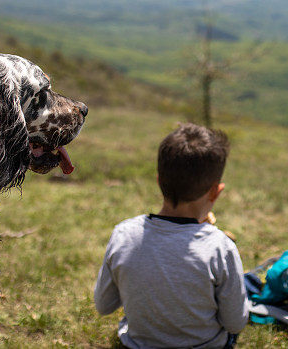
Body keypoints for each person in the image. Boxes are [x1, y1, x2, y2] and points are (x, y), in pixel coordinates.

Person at [93, 123, 249, 349]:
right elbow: (235, 323)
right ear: (216, 191)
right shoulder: (220, 247)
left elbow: (103, 305)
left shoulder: (123, 234)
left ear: (159, 180)